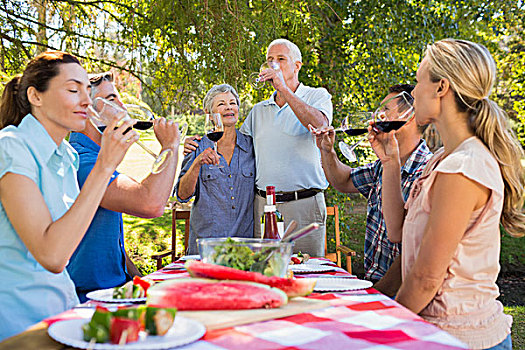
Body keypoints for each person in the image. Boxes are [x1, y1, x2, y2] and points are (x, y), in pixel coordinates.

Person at [372, 39, 524, 349]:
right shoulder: (442, 159)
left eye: (417, 81)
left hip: (461, 337)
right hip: (435, 333)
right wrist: (390, 163)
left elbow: (426, 278)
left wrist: (379, 333)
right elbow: (399, 231)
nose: (413, 92)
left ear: (442, 87)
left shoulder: (462, 169)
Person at [0, 51, 136, 340]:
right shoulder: (10, 148)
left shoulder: (67, 157)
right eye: (74, 90)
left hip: (65, 315)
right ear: (36, 96)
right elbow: (52, 254)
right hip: (20, 329)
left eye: (87, 89)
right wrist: (105, 166)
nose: (87, 100)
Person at [66, 72, 181, 302]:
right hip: (89, 299)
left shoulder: (99, 157)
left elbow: (110, 241)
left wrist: (141, 281)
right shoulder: (82, 161)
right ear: (90, 110)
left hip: (116, 290)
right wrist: (170, 146)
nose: (123, 106)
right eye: (113, 98)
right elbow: (150, 204)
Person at [311, 84, 432, 286]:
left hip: (400, 293)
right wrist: (327, 151)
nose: (376, 116)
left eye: (385, 109)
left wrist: (378, 293)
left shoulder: (426, 172)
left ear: (409, 116)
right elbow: (344, 181)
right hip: (373, 283)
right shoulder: (382, 165)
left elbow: (414, 249)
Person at [241, 38, 332, 256]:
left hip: (305, 205)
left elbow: (320, 125)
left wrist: (284, 89)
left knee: (308, 272)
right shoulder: (258, 110)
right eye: (269, 60)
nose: (274, 65)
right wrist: (197, 144)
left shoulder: (317, 95)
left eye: (281, 59)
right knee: (265, 273)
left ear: (297, 65)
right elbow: (237, 148)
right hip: (264, 206)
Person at [176, 84, 255, 254]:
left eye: (233, 103)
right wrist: (197, 163)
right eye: (221, 104)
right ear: (208, 113)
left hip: (245, 248)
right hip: (206, 248)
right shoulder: (196, 147)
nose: (228, 107)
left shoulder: (252, 146)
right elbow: (183, 195)